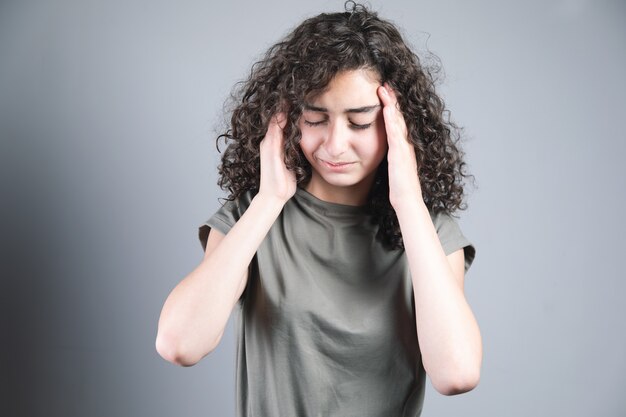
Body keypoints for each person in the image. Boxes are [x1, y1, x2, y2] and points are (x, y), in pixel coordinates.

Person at [156, 2, 482, 416]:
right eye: (315, 118)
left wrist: (408, 202)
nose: (334, 145)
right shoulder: (250, 218)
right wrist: (268, 200)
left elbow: (456, 374)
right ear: (288, 118)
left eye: (360, 123)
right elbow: (179, 344)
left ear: (398, 123)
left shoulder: (431, 233)